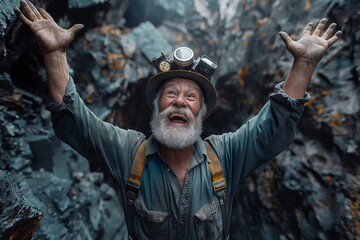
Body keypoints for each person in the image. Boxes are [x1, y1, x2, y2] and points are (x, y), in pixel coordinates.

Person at [15, 0, 342, 239]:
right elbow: (77, 120)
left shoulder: (225, 155)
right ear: (156, 107)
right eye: (171, 94)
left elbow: (272, 123)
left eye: (191, 97)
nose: (180, 103)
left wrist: (303, 65)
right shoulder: (130, 152)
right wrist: (55, 55)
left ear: (201, 113)